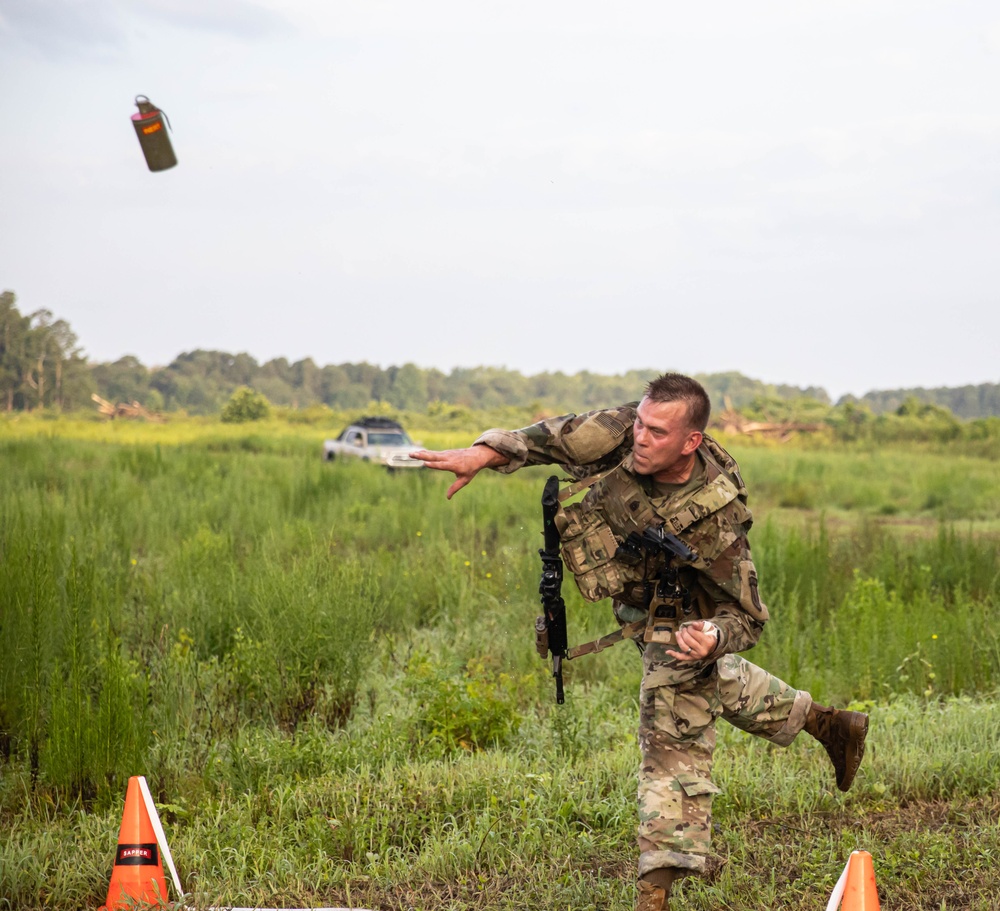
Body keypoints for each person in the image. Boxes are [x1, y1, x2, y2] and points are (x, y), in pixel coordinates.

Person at [413, 374, 868, 911]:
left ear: (690, 441)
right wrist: (481, 454)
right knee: (708, 688)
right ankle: (825, 723)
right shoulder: (625, 430)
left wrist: (713, 637)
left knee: (670, 739)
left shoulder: (716, 519)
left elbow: (747, 618)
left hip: (684, 620)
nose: (641, 438)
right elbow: (555, 437)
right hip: (636, 597)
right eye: (640, 423)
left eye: (656, 431)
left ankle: (655, 894)